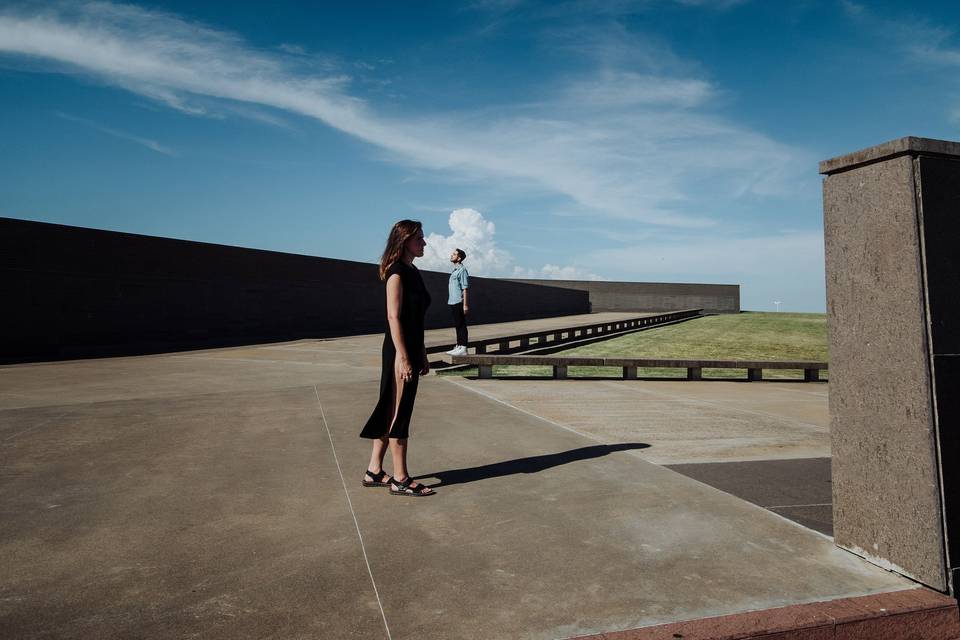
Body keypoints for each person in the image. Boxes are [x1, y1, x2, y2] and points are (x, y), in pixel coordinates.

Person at [359, 220, 434, 497]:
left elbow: (416, 319)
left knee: (389, 408)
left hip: (411, 349)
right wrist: (403, 357)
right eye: (420, 239)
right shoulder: (397, 273)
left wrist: (422, 351)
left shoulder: (413, 271)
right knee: (399, 412)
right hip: (398, 352)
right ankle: (400, 478)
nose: (424, 243)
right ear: (404, 241)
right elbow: (393, 317)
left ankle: (374, 471)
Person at [445, 248, 470, 357]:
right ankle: (459, 346)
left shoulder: (462, 270)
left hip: (459, 301)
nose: (451, 255)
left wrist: (465, 304)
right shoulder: (455, 270)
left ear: (459, 258)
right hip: (452, 301)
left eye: (454, 254)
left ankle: (463, 347)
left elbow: (465, 288)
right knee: (457, 324)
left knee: (461, 325)